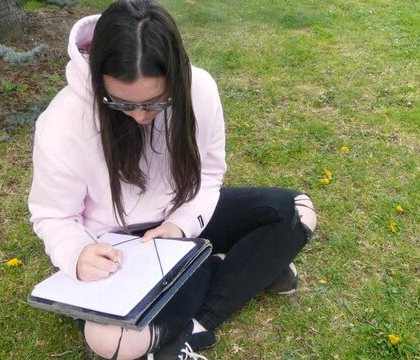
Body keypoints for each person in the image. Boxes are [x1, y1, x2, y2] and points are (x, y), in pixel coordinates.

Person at [27, 0, 317, 359]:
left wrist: (179, 227)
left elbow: (209, 175)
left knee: (294, 212)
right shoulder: (62, 123)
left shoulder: (200, 90)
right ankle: (232, 271)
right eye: (119, 103)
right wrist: (78, 253)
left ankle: (190, 323)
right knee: (111, 341)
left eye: (156, 102)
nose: (139, 116)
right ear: (98, 78)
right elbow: (53, 216)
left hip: (183, 222)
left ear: (176, 75)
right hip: (118, 250)